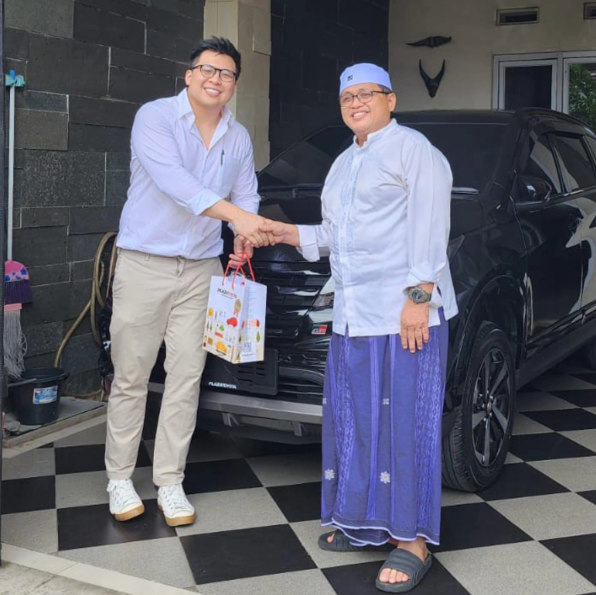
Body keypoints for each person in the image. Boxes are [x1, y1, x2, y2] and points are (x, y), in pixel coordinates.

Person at [262, 63, 457, 592]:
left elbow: (431, 227)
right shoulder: (344, 162)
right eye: (347, 96)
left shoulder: (414, 150)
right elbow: (334, 235)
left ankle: (411, 541)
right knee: (356, 421)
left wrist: (418, 299)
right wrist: (282, 231)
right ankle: (364, 522)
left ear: (391, 100)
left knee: (406, 426)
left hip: (404, 316)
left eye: (367, 93)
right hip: (353, 315)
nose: (355, 103)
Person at [104, 37, 268, 527]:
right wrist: (238, 217)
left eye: (227, 74)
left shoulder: (238, 137)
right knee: (131, 376)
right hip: (144, 264)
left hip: (202, 270)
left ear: (235, 84)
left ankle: (169, 481)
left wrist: (245, 235)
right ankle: (119, 478)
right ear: (189, 75)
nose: (217, 80)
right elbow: (178, 185)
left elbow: (247, 193)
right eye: (208, 70)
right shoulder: (155, 118)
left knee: (186, 378)